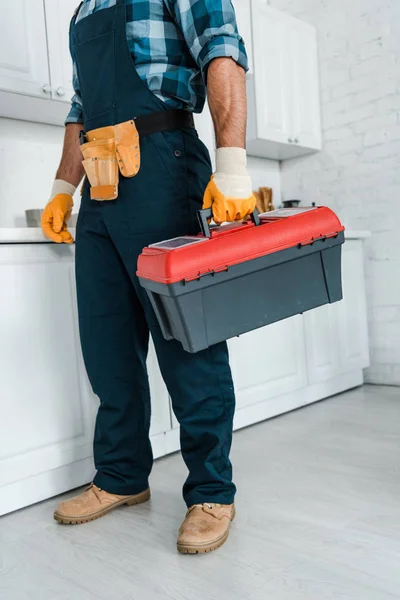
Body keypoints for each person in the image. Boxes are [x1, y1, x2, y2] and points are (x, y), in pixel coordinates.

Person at [41, 0, 256, 554]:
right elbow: (81, 106)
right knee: (106, 342)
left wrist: (232, 166)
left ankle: (211, 490)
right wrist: (64, 190)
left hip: (164, 162)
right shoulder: (83, 11)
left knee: (188, 341)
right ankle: (120, 476)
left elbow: (222, 49)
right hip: (99, 179)